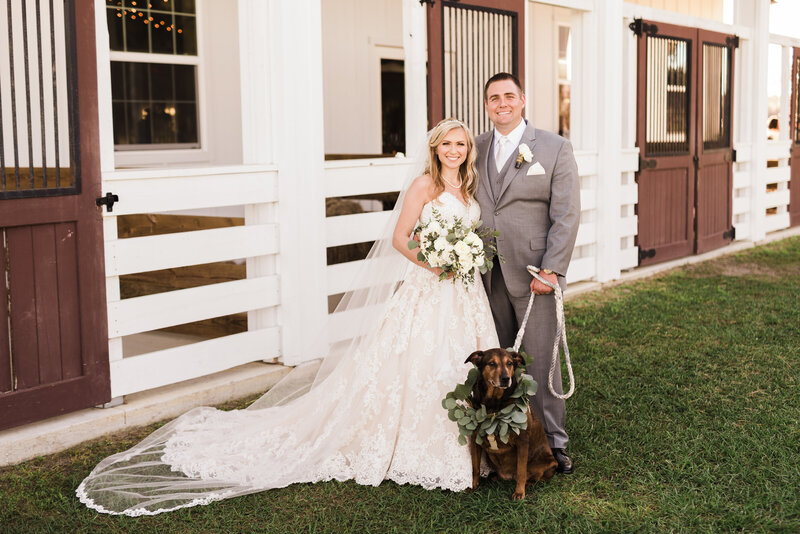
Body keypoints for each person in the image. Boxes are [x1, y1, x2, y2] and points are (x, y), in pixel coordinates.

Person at [76, 118, 500, 516]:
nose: (454, 150)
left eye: (461, 144)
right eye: (446, 143)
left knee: (458, 359)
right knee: (415, 364)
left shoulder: (467, 185)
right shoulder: (424, 185)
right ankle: (417, 444)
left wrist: (464, 257)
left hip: (464, 291)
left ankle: (473, 442)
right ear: (434, 147)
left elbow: (466, 233)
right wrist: (437, 263)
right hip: (429, 287)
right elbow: (399, 238)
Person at [474, 72, 580, 474]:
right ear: (486, 105)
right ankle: (502, 439)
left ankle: (554, 443)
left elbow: (566, 215)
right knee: (497, 364)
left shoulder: (554, 147)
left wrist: (551, 270)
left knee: (539, 363)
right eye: (493, 98)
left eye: (508, 96)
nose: (501, 103)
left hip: (536, 274)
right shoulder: (476, 146)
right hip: (485, 275)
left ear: (522, 100)